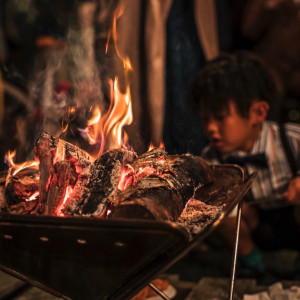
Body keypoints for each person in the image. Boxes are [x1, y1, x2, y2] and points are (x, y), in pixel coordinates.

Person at [189, 51, 300, 278]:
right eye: (204, 119)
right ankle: (251, 262)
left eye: (220, 117)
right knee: (221, 211)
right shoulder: (212, 157)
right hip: (255, 228)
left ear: (258, 113)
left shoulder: (291, 139)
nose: (210, 128)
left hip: (293, 220)